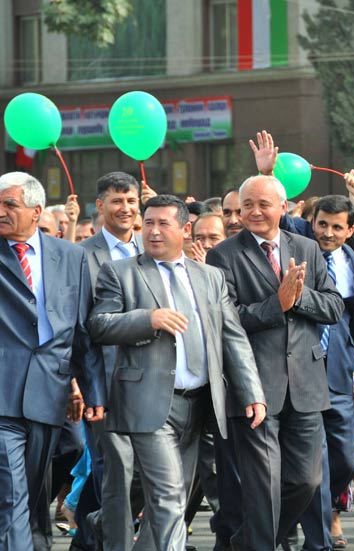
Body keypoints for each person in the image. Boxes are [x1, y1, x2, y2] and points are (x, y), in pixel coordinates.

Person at [88, 194, 266, 551]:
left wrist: (253, 393)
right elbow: (98, 325)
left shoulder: (210, 277)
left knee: (172, 503)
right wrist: (146, 319)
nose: (152, 232)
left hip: (199, 405)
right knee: (169, 498)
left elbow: (232, 339)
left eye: (162, 224)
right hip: (150, 404)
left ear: (186, 230)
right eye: (147, 223)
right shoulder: (121, 272)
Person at [205, 175, 344, 550]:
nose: (253, 211)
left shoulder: (306, 247)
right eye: (247, 204)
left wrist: (297, 299)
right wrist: (275, 305)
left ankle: (247, 542)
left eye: (263, 204)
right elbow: (226, 319)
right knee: (263, 487)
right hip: (255, 386)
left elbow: (333, 306)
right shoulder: (224, 255)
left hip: (306, 384)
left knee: (306, 482)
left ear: (284, 208)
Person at [0, 171, 106, 551]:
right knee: (12, 491)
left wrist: (90, 390)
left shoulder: (71, 256)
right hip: (3, 395)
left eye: (9, 204)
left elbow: (81, 333)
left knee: (29, 490)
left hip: (51, 393)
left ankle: (33, 541)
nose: (1, 212)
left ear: (36, 210)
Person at [298, 184, 354, 551]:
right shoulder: (299, 250)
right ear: (312, 222)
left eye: (336, 227)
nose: (327, 233)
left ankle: (319, 511)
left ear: (349, 230)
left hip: (341, 375)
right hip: (302, 372)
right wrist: (265, 172)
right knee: (317, 462)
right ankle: (321, 533)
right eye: (321, 224)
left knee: (344, 460)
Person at [78, 172, 145, 551]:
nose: (125, 208)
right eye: (117, 201)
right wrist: (89, 390)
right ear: (100, 206)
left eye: (131, 201)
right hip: (105, 386)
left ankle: (98, 531)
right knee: (112, 471)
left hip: (153, 382)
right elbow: (81, 332)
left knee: (150, 474)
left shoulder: (150, 250)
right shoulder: (81, 255)